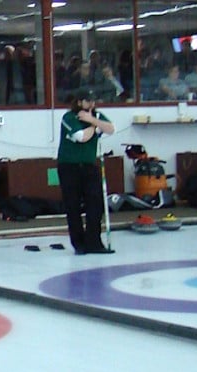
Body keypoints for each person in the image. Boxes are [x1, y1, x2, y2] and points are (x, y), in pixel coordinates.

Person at [56, 90, 116, 255]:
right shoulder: (68, 118)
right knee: (73, 206)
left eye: (93, 101)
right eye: (88, 101)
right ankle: (79, 244)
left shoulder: (95, 115)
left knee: (95, 203)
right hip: (69, 166)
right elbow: (81, 137)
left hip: (89, 165)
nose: (92, 104)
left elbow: (110, 128)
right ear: (80, 102)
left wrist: (92, 120)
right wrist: (94, 126)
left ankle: (94, 242)